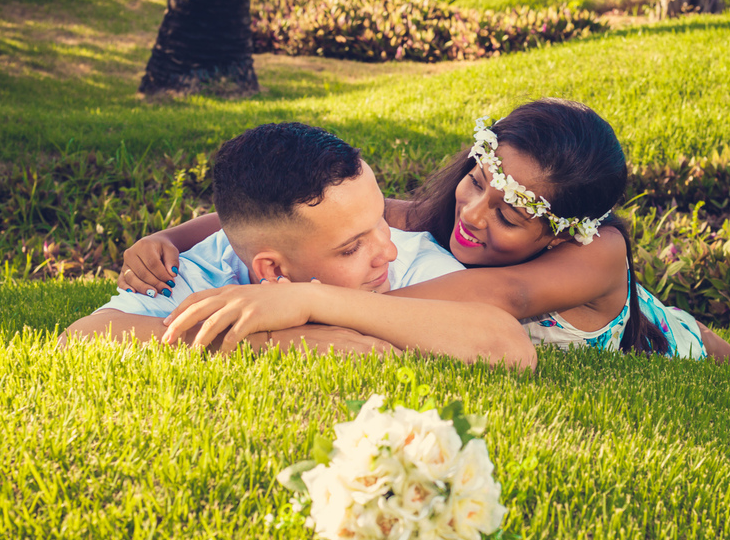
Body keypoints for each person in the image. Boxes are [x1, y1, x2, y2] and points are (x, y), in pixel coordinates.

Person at [123, 100, 730, 362]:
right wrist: (172, 241)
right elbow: (297, 215)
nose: (472, 215)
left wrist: (308, 301)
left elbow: (509, 299)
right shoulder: (448, 215)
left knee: (707, 350)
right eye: (477, 183)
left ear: (559, 234)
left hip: (651, 333)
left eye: (509, 215)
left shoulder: (598, 253)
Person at [61, 122, 537, 370]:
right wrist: (281, 342)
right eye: (351, 247)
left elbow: (509, 349)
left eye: (379, 223)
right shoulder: (203, 267)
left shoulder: (410, 261)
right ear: (269, 270)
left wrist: (314, 299)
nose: (386, 251)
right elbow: (82, 336)